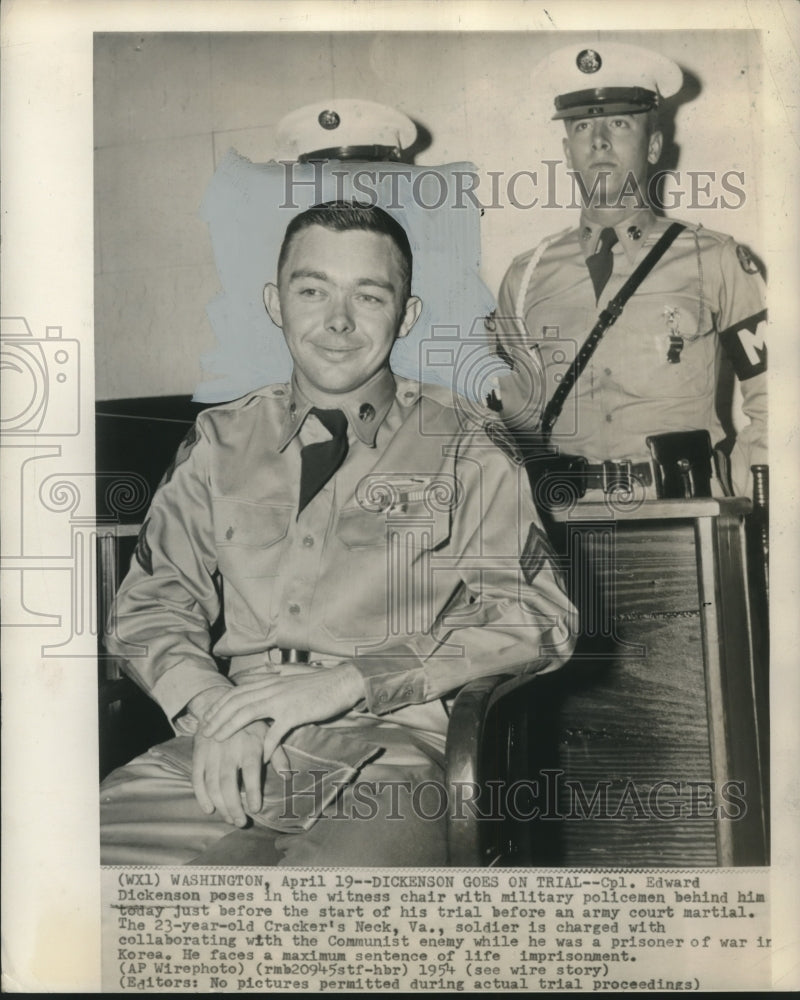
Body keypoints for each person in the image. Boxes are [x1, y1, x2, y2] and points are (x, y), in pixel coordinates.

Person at [100, 201, 576, 867]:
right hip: (219, 746)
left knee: (321, 935)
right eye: (312, 290)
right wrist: (213, 710)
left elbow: (536, 617)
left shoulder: (466, 440)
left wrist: (351, 680)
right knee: (74, 894)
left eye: (369, 295)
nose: (338, 321)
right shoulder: (219, 440)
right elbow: (149, 606)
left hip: (392, 763)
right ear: (276, 302)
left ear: (406, 315)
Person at [493, 41, 767, 501]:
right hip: (566, 522)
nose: (599, 140)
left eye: (619, 123)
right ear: (567, 151)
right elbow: (509, 423)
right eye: (583, 126)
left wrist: (738, 491)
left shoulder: (716, 259)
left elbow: (780, 400)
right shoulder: (526, 277)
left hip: (686, 510)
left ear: (655, 145)